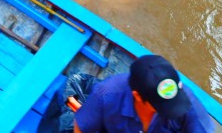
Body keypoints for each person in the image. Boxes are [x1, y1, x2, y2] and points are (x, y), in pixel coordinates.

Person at [72, 55, 214, 133]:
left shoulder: (185, 100)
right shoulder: (106, 95)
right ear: (138, 96)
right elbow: (81, 128)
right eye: (162, 106)